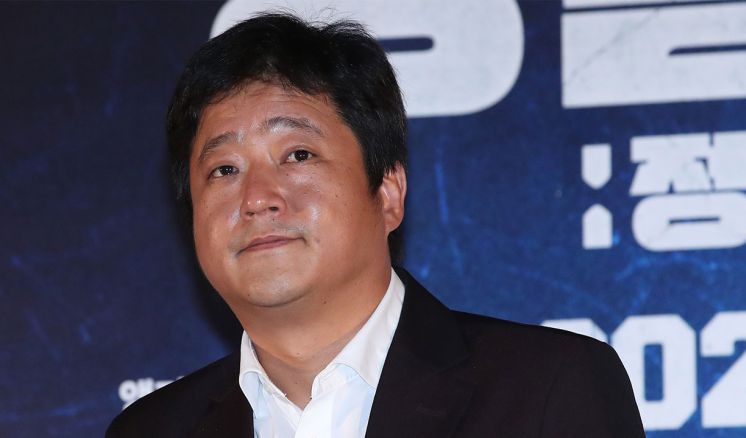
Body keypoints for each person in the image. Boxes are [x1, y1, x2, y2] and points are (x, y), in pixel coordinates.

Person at [106, 12, 645, 438]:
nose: (258, 198)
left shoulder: (547, 390)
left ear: (388, 192)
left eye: (297, 155)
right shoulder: (151, 429)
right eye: (224, 170)